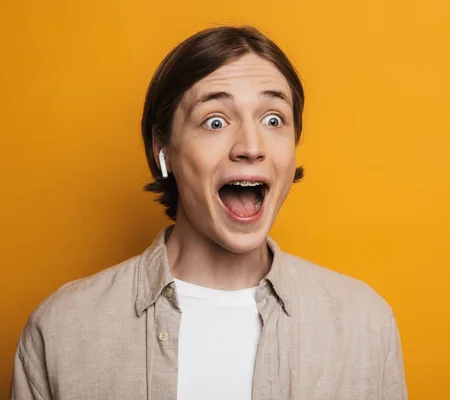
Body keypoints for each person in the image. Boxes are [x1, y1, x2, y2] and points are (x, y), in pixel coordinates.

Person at [11, 25, 408, 399]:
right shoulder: (63, 330)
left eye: (274, 119)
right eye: (214, 122)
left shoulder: (364, 325)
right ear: (161, 148)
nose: (251, 146)